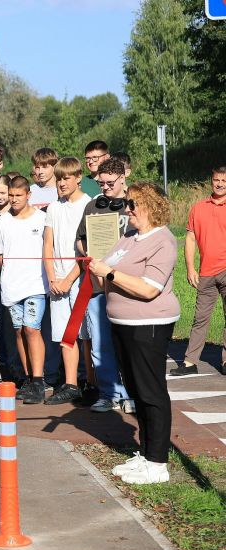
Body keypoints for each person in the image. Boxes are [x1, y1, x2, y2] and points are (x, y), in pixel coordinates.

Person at [89, 182, 179, 484]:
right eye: (126, 203)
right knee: (136, 390)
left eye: (132, 204)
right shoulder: (129, 236)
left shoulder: (163, 241)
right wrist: (97, 268)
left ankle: (158, 462)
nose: (127, 209)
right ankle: (147, 452)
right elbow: (105, 270)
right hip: (121, 323)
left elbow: (149, 289)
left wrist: (109, 273)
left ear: (151, 206)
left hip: (149, 325)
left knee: (151, 391)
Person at [76, 158, 134, 412]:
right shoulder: (92, 206)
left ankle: (131, 394)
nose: (106, 188)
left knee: (127, 344)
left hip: (126, 285)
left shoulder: (133, 205)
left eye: (110, 183)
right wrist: (89, 255)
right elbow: (80, 240)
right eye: (101, 183)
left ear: (123, 178)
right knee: (100, 344)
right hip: (98, 286)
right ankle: (109, 393)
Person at [43, 157, 91, 405]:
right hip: (57, 280)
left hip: (80, 279)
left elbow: (88, 250)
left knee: (85, 334)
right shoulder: (53, 208)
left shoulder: (88, 205)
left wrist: (69, 279)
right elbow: (47, 245)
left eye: (66, 178)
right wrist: (52, 277)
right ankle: (71, 384)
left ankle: (90, 382)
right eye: (59, 179)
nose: (61, 183)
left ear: (78, 177)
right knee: (65, 334)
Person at [0, 176, 48, 405]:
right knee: (19, 331)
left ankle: (38, 380)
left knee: (31, 329)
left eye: (19, 195)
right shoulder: (1, 223)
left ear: (29, 195)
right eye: (11, 195)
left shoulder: (42, 219)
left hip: (36, 284)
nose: (14, 199)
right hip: (11, 286)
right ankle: (28, 379)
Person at [171, 166, 226, 376]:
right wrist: (190, 268)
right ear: (211, 181)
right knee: (200, 318)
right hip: (206, 272)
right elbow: (191, 238)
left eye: (224, 180)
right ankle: (190, 362)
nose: (219, 184)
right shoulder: (198, 208)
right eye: (216, 180)